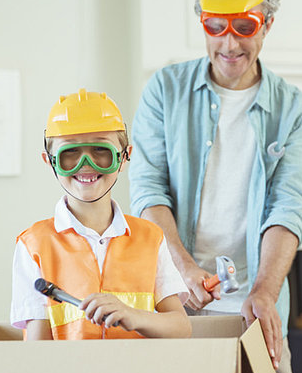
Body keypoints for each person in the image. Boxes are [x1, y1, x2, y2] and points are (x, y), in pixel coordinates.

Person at [129, 0, 302, 373]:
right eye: (215, 26)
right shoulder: (164, 92)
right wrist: (184, 268)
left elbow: (289, 203)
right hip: (178, 298)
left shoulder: (293, 107)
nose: (229, 43)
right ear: (203, 23)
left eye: (245, 26)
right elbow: (148, 188)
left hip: (257, 300)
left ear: (267, 23)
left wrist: (264, 289)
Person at [11, 89, 191, 341]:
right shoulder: (33, 245)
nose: (86, 164)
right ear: (50, 161)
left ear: (125, 156)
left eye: (100, 151)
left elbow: (181, 328)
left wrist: (133, 316)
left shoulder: (150, 237)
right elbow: (37, 351)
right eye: (70, 153)